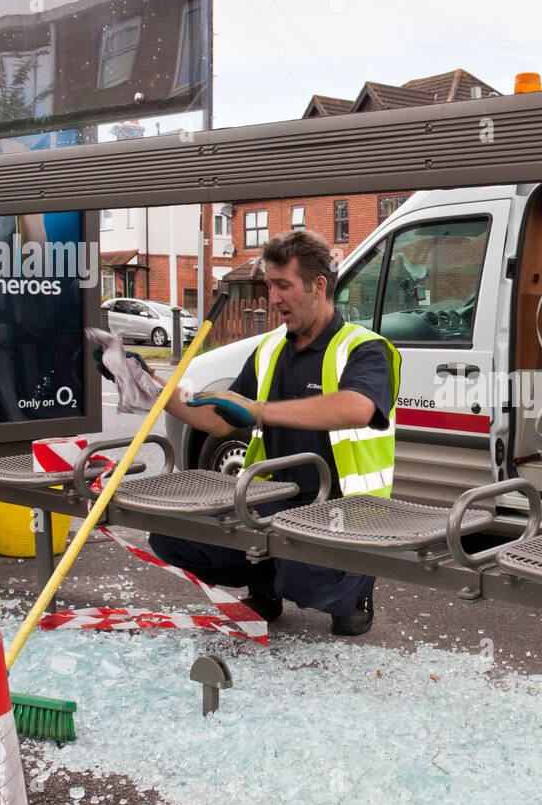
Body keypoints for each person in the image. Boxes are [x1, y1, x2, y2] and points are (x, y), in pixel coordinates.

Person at [148, 230, 400, 636]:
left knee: (302, 574)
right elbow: (220, 420)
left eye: (283, 285)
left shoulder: (364, 349)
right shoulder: (268, 351)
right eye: (269, 286)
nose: (273, 297)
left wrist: (260, 410)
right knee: (172, 536)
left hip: (342, 511)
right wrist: (152, 388)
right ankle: (264, 586)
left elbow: (358, 407)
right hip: (270, 502)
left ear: (318, 287)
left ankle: (354, 592)